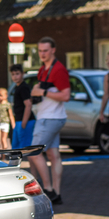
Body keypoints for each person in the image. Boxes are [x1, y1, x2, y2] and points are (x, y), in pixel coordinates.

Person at [29, 36, 70, 205]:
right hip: (49, 117)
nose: (42, 54)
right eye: (40, 51)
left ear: (53, 50)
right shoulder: (43, 69)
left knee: (33, 152)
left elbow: (65, 95)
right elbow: (39, 90)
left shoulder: (58, 69)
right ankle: (57, 194)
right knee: (53, 155)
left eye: (46, 50)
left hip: (50, 119)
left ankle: (49, 190)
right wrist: (36, 91)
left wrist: (43, 93)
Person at [10, 64, 36, 151]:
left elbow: (28, 105)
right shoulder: (18, 87)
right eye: (13, 74)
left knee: (25, 149)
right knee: (15, 148)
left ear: (22, 74)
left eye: (17, 74)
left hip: (25, 121)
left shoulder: (23, 87)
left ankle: (30, 164)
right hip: (19, 120)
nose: (15, 76)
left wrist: (24, 123)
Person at [98, 53, 109, 142]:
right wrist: (101, 112)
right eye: (106, 60)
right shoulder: (107, 76)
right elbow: (106, 94)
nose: (107, 63)